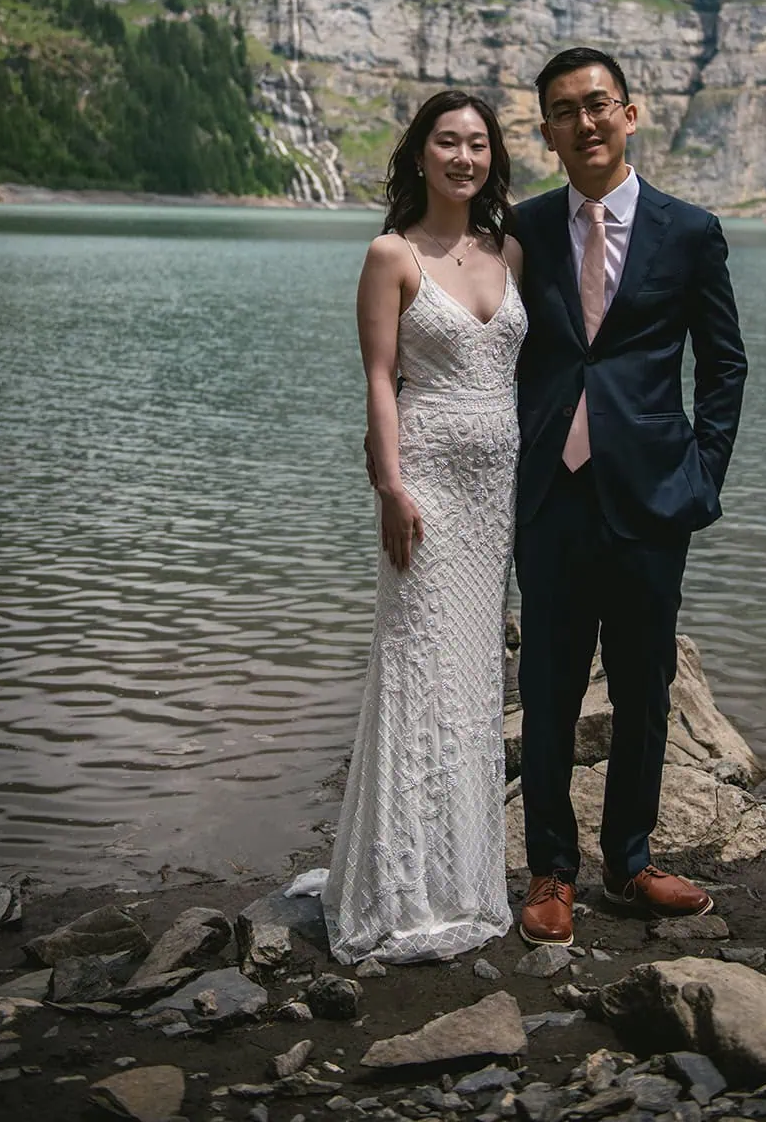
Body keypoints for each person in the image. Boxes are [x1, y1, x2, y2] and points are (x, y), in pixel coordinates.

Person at [512, 46, 747, 946]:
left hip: (653, 500)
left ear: (631, 112)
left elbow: (723, 366)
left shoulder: (689, 231)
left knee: (644, 689)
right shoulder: (522, 229)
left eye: (599, 103)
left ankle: (632, 860)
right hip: (554, 499)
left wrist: (703, 475)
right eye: (565, 111)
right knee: (549, 687)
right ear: (548, 132)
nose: (586, 122)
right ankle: (549, 871)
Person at [322, 91, 526, 963]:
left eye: (478, 144)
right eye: (448, 141)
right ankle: (399, 884)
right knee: (415, 668)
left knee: (474, 679)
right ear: (419, 154)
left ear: (493, 159)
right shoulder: (390, 253)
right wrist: (390, 487)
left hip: (497, 500)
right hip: (429, 488)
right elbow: (378, 379)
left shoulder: (509, 248)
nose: (464, 158)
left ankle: (465, 876)